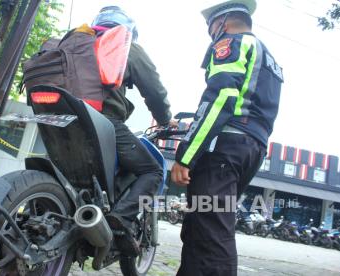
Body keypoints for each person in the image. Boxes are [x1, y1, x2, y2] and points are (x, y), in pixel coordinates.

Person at [171, 0, 283, 275]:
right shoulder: (270, 59)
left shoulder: (232, 43)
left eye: (211, 28)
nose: (211, 34)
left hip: (225, 149)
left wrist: (185, 155)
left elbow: (221, 98)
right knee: (202, 226)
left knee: (209, 233)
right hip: (252, 148)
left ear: (222, 23)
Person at [92, 6, 175, 256]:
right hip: (103, 122)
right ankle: (120, 218)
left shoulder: (77, 42)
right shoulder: (124, 44)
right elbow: (154, 90)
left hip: (61, 118)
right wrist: (164, 119)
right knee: (153, 171)